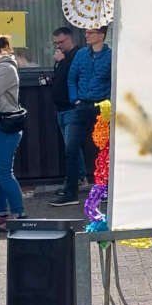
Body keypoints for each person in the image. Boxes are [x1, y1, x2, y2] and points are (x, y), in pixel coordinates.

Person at [49, 26, 111, 207]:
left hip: (102, 106)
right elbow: (72, 78)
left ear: (101, 35)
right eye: (86, 32)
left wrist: (108, 99)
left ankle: (105, 189)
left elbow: (114, 79)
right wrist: (75, 98)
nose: (86, 35)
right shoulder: (81, 54)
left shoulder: (110, 56)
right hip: (82, 105)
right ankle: (71, 192)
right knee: (71, 148)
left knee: (103, 150)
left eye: (91, 32)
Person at [52, 27, 87, 194]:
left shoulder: (78, 55)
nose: (58, 46)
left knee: (71, 147)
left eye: (61, 42)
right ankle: (77, 179)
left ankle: (77, 179)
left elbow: (73, 75)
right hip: (61, 108)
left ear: (70, 39)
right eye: (56, 43)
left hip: (72, 108)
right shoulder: (63, 58)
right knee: (70, 147)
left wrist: (61, 61)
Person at [0, 35, 25, 231]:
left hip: (6, 125)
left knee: (4, 172)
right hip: (0, 124)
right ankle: (1, 213)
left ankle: (19, 213)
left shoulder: (6, 69)